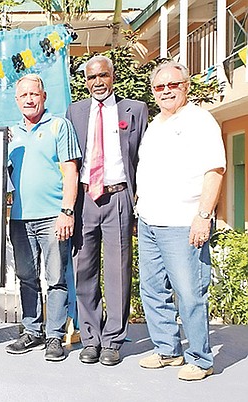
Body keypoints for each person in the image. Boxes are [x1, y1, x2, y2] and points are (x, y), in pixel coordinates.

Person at [136, 61, 225, 381]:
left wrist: (204, 216)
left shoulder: (200, 120)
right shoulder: (154, 123)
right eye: (159, 87)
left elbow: (215, 170)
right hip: (149, 220)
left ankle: (201, 359)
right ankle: (167, 350)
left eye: (173, 85)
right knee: (152, 290)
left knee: (189, 292)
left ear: (185, 86)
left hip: (183, 223)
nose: (166, 91)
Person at [65, 55, 149, 366]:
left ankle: (113, 339)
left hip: (118, 196)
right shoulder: (75, 111)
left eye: (103, 76)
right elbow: (69, 159)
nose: (98, 82)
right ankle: (91, 338)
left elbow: (144, 159)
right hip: (86, 198)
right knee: (83, 269)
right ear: (85, 82)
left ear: (112, 77)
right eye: (91, 78)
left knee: (118, 270)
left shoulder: (135, 110)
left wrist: (141, 200)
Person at [5, 74, 81, 361]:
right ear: (17, 100)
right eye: (23, 95)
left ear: (44, 96)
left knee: (56, 278)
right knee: (26, 277)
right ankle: (32, 331)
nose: (29, 99)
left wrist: (67, 211)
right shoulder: (10, 135)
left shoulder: (60, 126)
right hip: (20, 219)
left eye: (34, 94)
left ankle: (54, 336)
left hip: (53, 217)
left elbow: (71, 171)